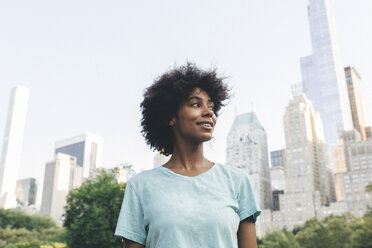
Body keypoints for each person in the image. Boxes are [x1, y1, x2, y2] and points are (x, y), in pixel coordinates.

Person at [115, 63, 261, 248]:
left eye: (211, 107)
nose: (209, 112)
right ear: (171, 117)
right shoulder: (140, 187)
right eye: (196, 104)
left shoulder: (237, 181)